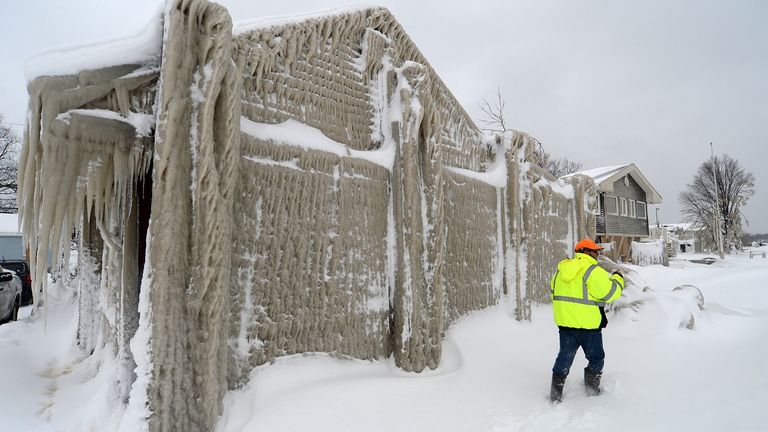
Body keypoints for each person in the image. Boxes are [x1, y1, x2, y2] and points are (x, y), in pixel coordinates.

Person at [549, 238, 624, 403]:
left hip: (565, 325)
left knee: (565, 356)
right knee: (596, 357)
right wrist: (618, 279)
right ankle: (592, 392)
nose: (598, 254)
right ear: (586, 252)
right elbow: (610, 293)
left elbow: (553, 293)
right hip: (588, 327)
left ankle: (555, 395)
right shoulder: (592, 270)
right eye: (595, 251)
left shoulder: (560, 271)